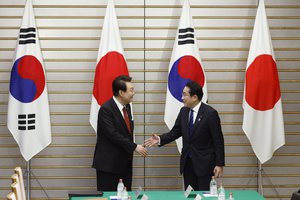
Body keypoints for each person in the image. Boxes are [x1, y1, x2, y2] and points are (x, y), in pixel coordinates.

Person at [144, 81, 225, 191]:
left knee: (205, 195)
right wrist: (160, 139)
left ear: (195, 97)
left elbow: (218, 140)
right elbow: (175, 132)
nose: (182, 97)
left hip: (205, 164)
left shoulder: (210, 113)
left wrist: (219, 164)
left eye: (185, 94)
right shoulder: (184, 111)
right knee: (190, 195)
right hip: (188, 164)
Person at [92, 75, 147, 191]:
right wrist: (135, 147)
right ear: (121, 93)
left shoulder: (127, 107)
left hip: (125, 165)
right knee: (109, 196)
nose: (134, 93)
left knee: (125, 196)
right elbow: (113, 134)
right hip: (109, 166)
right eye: (131, 90)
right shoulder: (106, 109)